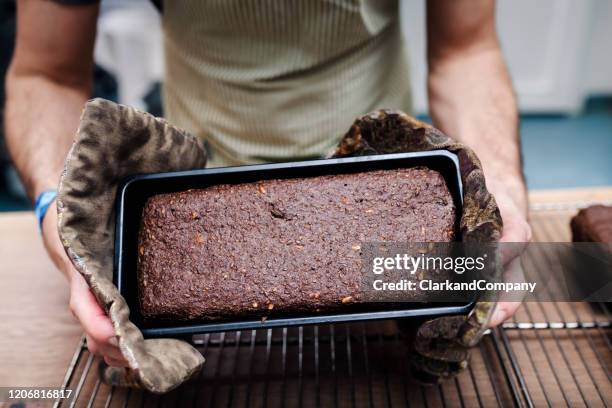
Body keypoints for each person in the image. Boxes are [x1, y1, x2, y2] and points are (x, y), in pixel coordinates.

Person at [4, 0, 531, 369]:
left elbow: (466, 50)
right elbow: (44, 75)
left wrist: (499, 189)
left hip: (387, 173)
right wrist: (63, 215)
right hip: (199, 182)